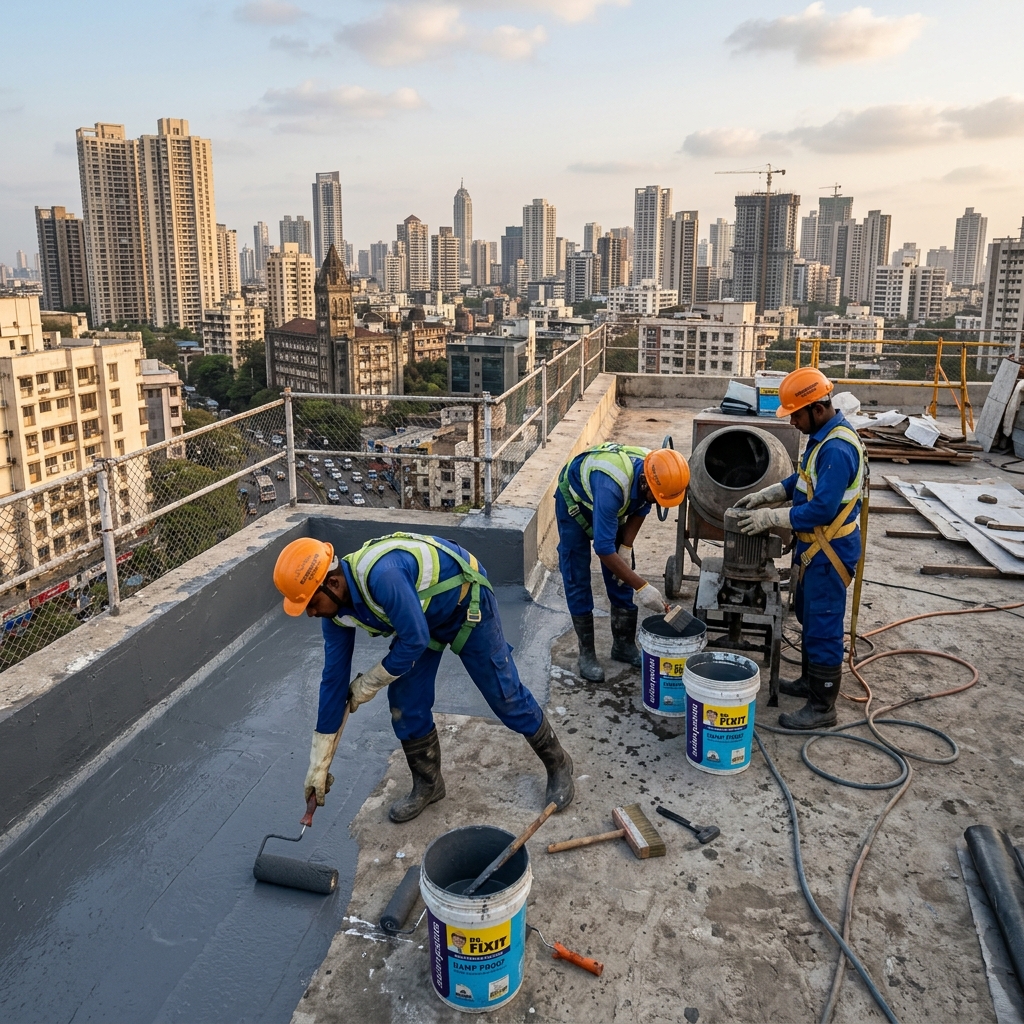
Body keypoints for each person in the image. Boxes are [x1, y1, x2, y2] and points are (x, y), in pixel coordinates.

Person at [273, 532, 574, 822]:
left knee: (503, 694)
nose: (311, 613)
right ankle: (429, 785)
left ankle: (558, 761)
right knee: (406, 702)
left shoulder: (382, 576)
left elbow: (414, 642)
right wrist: (319, 764)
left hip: (464, 602)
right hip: (421, 618)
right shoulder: (335, 613)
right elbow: (333, 680)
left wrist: (369, 682)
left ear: (333, 583)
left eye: (311, 603)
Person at [734, 367, 865, 730]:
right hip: (814, 550)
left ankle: (822, 707)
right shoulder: (822, 437)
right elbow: (803, 479)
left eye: (795, 413)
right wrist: (772, 492)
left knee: (822, 625)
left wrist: (770, 518)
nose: (792, 421)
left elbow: (822, 508)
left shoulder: (837, 449)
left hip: (830, 549)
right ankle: (810, 681)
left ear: (818, 409)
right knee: (809, 616)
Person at [556, 443, 690, 682]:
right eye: (657, 497)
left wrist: (626, 548)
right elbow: (603, 549)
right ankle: (586, 654)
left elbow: (642, 506)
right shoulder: (611, 486)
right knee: (577, 574)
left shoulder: (655, 468)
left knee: (621, 575)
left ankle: (623, 646)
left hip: (613, 504)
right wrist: (643, 587)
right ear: (643, 482)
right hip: (575, 505)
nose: (658, 503)